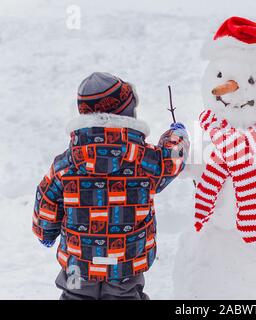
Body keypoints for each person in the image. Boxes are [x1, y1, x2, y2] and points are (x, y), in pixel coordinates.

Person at [32, 72, 189, 300]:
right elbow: (173, 158)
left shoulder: (66, 164)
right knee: (124, 296)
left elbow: (45, 198)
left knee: (75, 295)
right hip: (125, 263)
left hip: (78, 262)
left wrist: (45, 232)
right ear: (127, 113)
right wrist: (177, 134)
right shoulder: (144, 159)